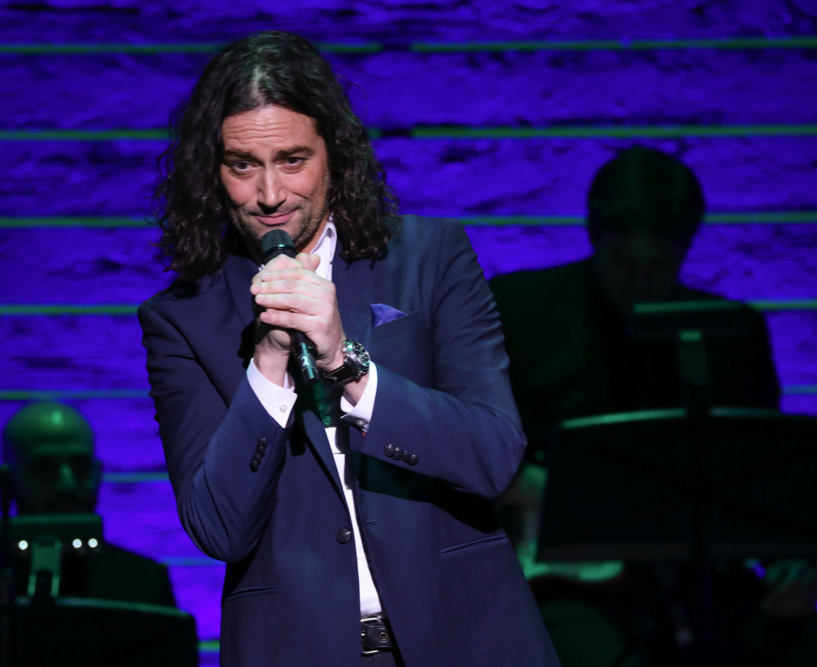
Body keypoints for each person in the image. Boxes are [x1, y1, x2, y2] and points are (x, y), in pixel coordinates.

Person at [138, 31, 558, 666]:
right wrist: (269, 364)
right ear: (211, 171)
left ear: (334, 152)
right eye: (243, 165)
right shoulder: (182, 319)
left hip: (467, 635)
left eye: (292, 159)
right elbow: (219, 527)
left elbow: (494, 455)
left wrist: (347, 364)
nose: (271, 195)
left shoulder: (429, 258)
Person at [491, 146, 817, 666]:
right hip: (565, 579)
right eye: (624, 261)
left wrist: (794, 563)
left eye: (659, 263)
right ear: (596, 237)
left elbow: (767, 483)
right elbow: (460, 439)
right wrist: (524, 483)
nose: (640, 280)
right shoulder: (521, 310)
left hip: (700, 575)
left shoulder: (732, 331)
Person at [0, 401, 175, 608]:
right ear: (6, 480)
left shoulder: (144, 583)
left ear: (97, 473)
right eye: (45, 468)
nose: (67, 484)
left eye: (80, 467)